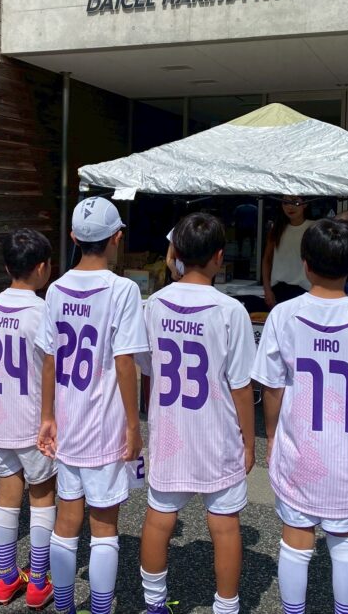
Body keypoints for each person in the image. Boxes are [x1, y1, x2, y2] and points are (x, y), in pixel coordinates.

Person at [252, 219, 348, 614]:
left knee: (295, 540)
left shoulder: (283, 315)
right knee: (347, 543)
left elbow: (271, 387)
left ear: (305, 263)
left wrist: (271, 434)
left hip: (299, 448)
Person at [36, 197, 149, 614]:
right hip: (106, 423)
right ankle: (100, 607)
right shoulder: (123, 289)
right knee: (104, 525)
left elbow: (49, 359)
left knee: (67, 517)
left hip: (68, 419)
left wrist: (47, 416)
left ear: (73, 237)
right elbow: (125, 361)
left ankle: (65, 604)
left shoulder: (56, 288)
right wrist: (134, 426)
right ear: (117, 238)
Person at [140, 213, 257, 614]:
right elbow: (241, 385)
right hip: (217, 433)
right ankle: (226, 606)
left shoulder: (154, 304)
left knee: (159, 518)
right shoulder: (231, 310)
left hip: (169, 430)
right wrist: (249, 441)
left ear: (176, 253)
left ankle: (154, 603)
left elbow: (147, 366)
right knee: (224, 524)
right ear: (219, 257)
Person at [0, 229, 56, 608]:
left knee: (6, 497)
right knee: (42, 496)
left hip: (0, 418)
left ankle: (6, 576)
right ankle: (38, 579)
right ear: (42, 268)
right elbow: (51, 370)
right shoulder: (42, 312)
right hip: (34, 422)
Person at [261, 196, 313, 309]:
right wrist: (267, 289)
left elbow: (345, 215)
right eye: (285, 202)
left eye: (295, 202)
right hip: (278, 289)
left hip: (304, 289)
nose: (290, 207)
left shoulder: (314, 228)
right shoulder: (276, 229)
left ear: (305, 204)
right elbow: (267, 260)